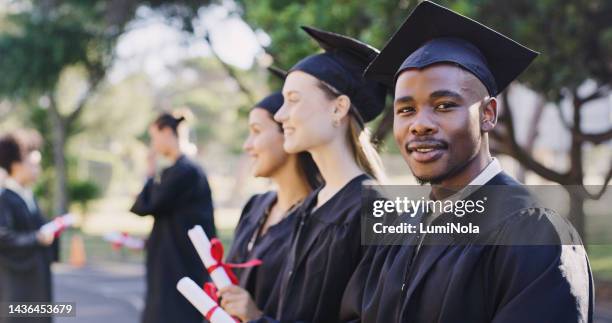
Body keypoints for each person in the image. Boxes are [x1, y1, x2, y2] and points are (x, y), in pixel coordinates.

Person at [340, 2, 593, 322]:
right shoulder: (398, 227)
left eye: (444, 105)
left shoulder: (535, 234)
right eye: (406, 110)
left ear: (487, 115)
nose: (420, 124)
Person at [219, 26, 387, 322]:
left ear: (339, 108)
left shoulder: (374, 208)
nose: (281, 114)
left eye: (293, 99)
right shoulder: (311, 205)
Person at [225, 72, 323, 318]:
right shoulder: (256, 206)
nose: (248, 145)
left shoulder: (319, 219)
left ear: (288, 133)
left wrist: (255, 316)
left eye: (256, 131)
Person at [130, 113, 217, 323]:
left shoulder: (184, 172)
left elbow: (146, 205)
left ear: (167, 133)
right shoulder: (181, 171)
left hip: (179, 264)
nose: (153, 144)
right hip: (174, 260)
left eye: (154, 136)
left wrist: (150, 172)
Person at [0, 131, 55, 323]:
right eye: (33, 163)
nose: (37, 169)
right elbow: (3, 238)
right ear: (16, 165)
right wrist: (37, 238)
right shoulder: (4, 199)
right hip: (16, 287)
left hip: (36, 281)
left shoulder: (28, 195)